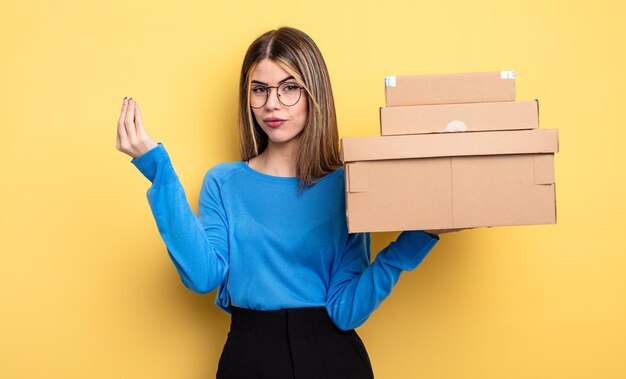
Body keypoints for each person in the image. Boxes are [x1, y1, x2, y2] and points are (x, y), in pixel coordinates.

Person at [116, 26, 444, 378]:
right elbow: (202, 276)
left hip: (331, 359)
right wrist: (159, 172)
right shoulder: (223, 183)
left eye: (289, 88)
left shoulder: (345, 186)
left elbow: (346, 310)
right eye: (259, 90)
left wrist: (419, 235)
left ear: (314, 94)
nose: (271, 104)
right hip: (248, 356)